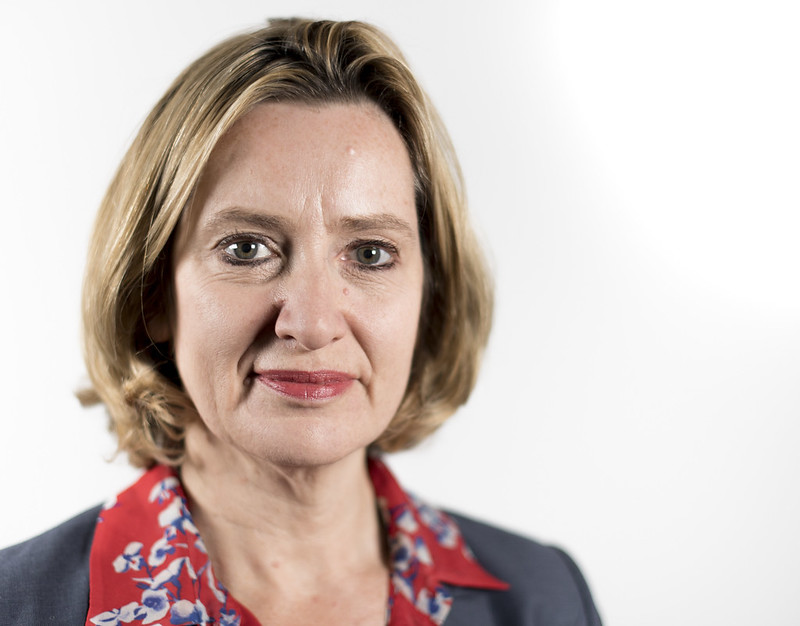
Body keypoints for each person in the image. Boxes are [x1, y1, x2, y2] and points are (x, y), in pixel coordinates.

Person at [0, 18, 601, 625]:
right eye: (246, 249)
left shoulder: (545, 599)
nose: (312, 325)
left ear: (430, 295)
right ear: (154, 292)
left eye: (371, 253)